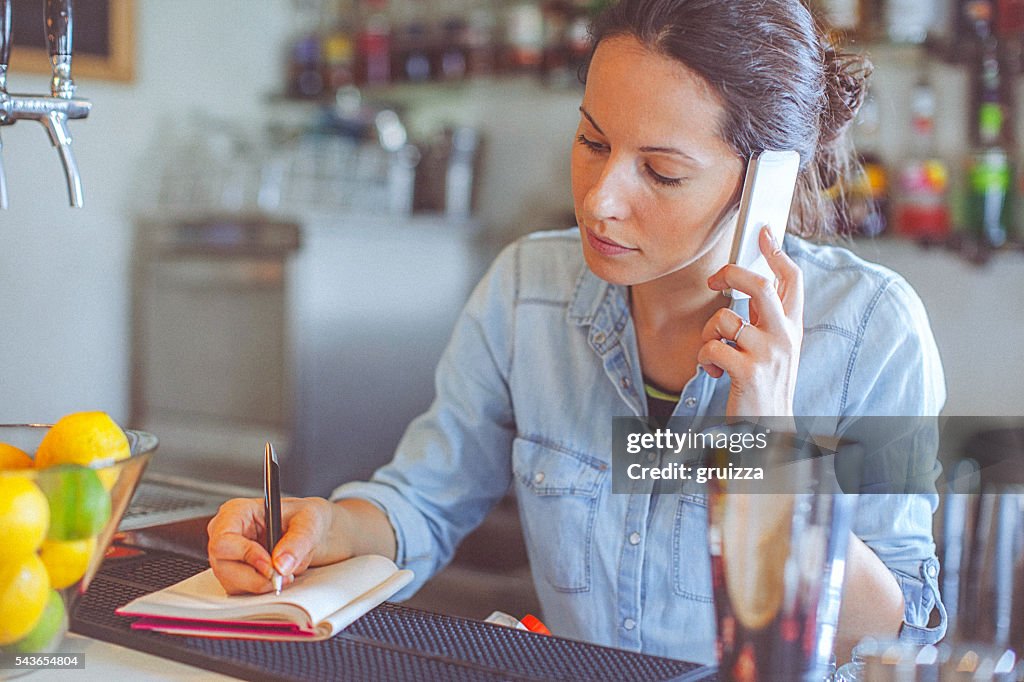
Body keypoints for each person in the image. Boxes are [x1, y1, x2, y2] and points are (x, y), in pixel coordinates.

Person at [207, 0, 946, 665]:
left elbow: (900, 638)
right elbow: (424, 504)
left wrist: (770, 451)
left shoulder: (871, 332)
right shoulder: (528, 290)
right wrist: (324, 528)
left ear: (765, 186)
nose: (600, 201)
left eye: (660, 172)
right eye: (592, 142)